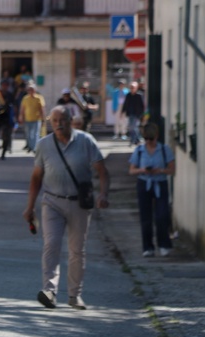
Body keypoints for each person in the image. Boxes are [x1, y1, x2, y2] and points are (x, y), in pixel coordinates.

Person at [23, 106, 110, 310]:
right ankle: (49, 291)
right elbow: (36, 177)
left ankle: (74, 295)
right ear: (50, 123)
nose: (59, 124)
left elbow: (102, 171)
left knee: (76, 250)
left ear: (71, 121)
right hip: (52, 201)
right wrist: (30, 207)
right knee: (51, 244)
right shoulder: (44, 144)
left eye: (62, 120)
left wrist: (104, 193)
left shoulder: (86, 141)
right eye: (55, 120)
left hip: (79, 204)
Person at [128, 123, 176, 257]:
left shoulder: (164, 149)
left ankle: (164, 244)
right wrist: (142, 170)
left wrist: (160, 170)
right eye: (147, 139)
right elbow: (131, 170)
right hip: (144, 183)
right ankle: (148, 247)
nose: (149, 142)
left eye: (151, 139)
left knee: (162, 215)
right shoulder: (139, 150)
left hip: (160, 183)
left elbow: (172, 170)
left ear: (157, 137)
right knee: (146, 217)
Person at [18, 83, 46, 152]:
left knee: (36, 134)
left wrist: (43, 118)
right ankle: (31, 146)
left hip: (36, 119)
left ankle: (35, 148)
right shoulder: (25, 98)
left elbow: (42, 108)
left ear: (34, 90)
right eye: (29, 90)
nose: (30, 91)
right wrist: (21, 116)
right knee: (28, 135)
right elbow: (22, 108)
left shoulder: (39, 98)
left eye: (32, 89)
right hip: (27, 119)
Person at [120, 81, 146, 145]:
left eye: (133, 87)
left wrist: (143, 114)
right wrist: (122, 112)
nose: (132, 89)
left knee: (134, 127)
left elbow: (142, 106)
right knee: (131, 127)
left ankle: (135, 139)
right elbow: (125, 104)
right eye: (131, 87)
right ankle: (136, 139)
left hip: (137, 114)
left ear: (136, 88)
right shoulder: (128, 95)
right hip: (130, 113)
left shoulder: (139, 96)